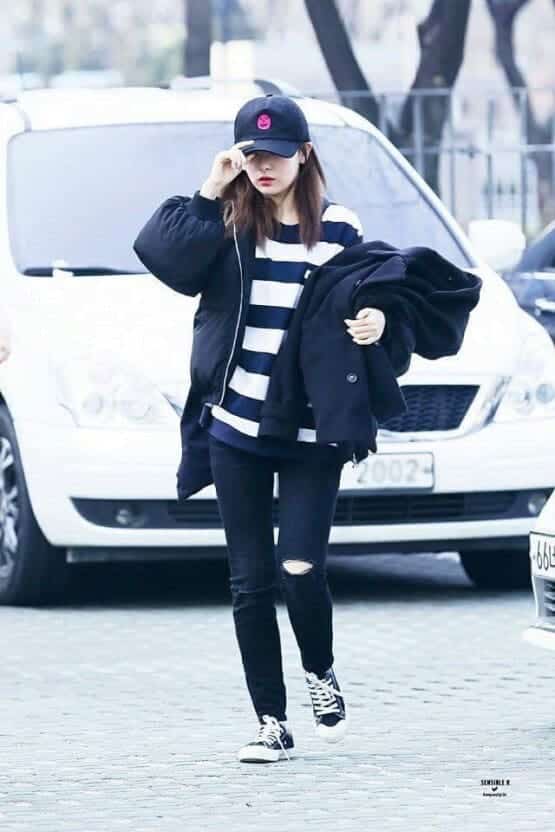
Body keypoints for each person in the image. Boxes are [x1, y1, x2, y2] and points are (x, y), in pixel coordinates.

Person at [135, 94, 386, 763]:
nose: (262, 166)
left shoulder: (340, 228)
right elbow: (162, 257)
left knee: (299, 568)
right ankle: (271, 721)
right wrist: (209, 187)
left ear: (304, 154)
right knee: (250, 582)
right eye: (250, 155)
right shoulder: (225, 223)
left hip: (310, 433)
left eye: (274, 155)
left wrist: (378, 321)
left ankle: (319, 670)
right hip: (234, 427)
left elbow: (373, 292)